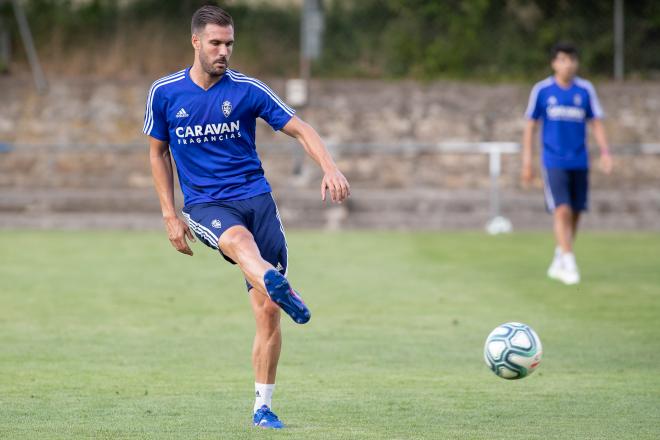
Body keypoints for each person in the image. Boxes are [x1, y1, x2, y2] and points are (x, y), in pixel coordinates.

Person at [143, 5, 350, 429]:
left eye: (229, 44)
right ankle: (275, 281)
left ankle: (262, 407)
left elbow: (301, 129)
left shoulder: (247, 90)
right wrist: (169, 215)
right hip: (206, 205)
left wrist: (329, 167)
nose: (224, 51)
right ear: (196, 42)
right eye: (216, 43)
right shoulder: (165, 93)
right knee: (238, 243)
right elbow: (157, 153)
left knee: (268, 313)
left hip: (258, 201)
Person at [522, 42, 613, 285]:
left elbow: (595, 122)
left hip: (579, 160)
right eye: (563, 59)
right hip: (553, 160)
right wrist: (527, 162)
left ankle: (560, 253)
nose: (568, 64)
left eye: (572, 59)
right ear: (554, 63)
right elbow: (530, 126)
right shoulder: (542, 90)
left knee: (575, 212)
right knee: (561, 209)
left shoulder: (585, 90)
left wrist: (605, 152)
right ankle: (569, 260)